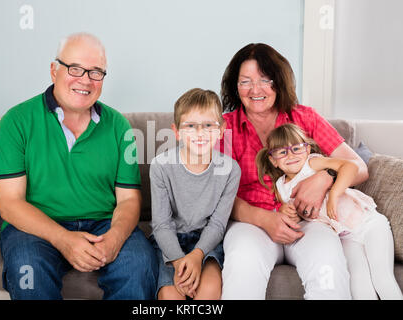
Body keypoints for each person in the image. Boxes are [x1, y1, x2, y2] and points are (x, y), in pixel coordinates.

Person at [0, 32, 158, 300]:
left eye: (96, 72)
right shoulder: (16, 121)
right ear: (54, 70)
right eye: (75, 69)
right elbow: (10, 203)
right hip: (36, 227)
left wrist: (114, 238)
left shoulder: (119, 127)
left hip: (103, 224)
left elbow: (128, 200)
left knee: (139, 264)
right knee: (28, 268)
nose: (85, 80)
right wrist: (64, 240)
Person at [218, 43, 371, 299]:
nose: (256, 90)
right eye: (245, 81)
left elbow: (359, 167)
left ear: (279, 82)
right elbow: (217, 195)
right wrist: (263, 219)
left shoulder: (305, 118)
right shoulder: (224, 128)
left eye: (265, 80)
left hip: (309, 222)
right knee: (242, 265)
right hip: (252, 223)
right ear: (235, 86)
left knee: (328, 265)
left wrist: (325, 178)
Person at [256, 123, 403, 300]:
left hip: (369, 224)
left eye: (296, 148)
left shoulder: (313, 163)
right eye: (282, 152)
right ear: (273, 160)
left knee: (382, 277)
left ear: (307, 149)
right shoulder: (281, 188)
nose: (291, 155)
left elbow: (351, 166)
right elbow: (292, 213)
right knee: (358, 280)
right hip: (345, 235)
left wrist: (334, 193)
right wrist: (287, 212)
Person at [149, 88, 241, 300]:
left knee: (208, 291)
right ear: (177, 131)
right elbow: (162, 225)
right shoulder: (161, 166)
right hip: (169, 240)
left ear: (221, 130)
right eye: (190, 126)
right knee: (171, 296)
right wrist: (180, 262)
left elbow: (218, 224)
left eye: (208, 125)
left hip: (206, 241)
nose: (200, 133)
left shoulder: (230, 170)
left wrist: (198, 256)